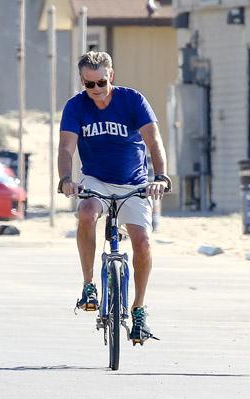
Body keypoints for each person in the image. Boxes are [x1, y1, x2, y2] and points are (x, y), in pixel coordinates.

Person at [58, 51, 170, 345]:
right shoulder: (76, 107)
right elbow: (66, 148)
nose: (96, 90)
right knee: (85, 213)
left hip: (133, 183)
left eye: (101, 82)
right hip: (96, 181)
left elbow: (153, 140)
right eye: (89, 84)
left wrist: (159, 177)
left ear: (112, 77)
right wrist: (67, 179)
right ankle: (88, 286)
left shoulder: (132, 100)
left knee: (142, 242)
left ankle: (139, 309)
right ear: (82, 82)